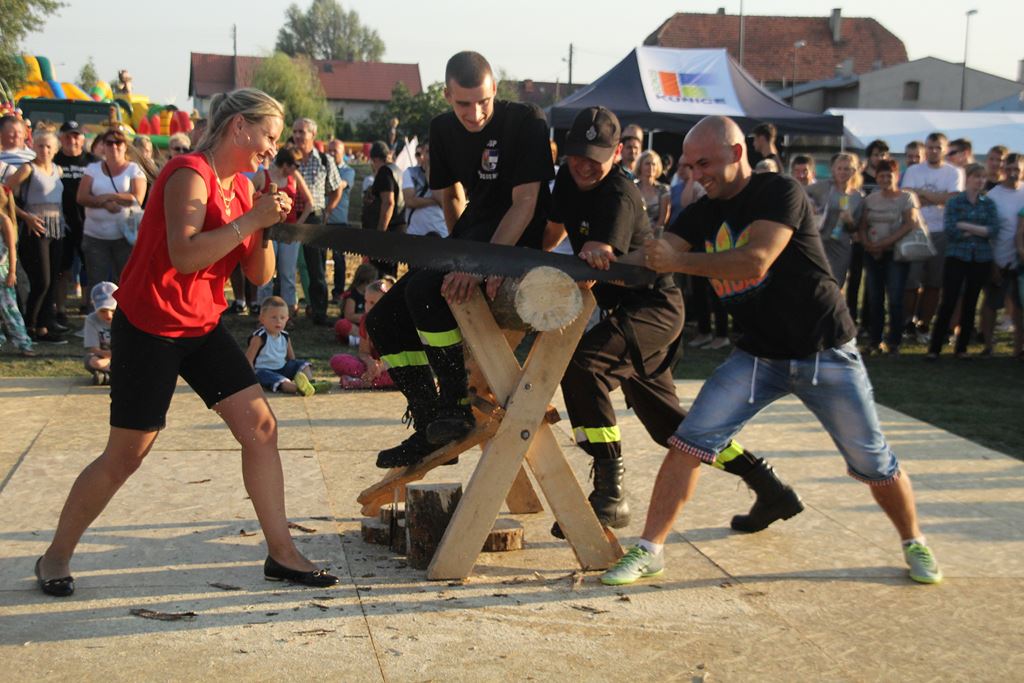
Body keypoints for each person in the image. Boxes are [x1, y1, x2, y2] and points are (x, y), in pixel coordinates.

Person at [598, 115, 941, 587]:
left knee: (873, 464)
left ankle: (914, 541)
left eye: (705, 164)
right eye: (690, 166)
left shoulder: (780, 192)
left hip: (824, 351)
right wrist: (599, 264)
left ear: (738, 154)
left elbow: (755, 259)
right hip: (758, 357)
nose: (696, 174)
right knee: (687, 444)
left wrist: (676, 260)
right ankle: (650, 549)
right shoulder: (700, 212)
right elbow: (654, 257)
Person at [34, 88, 338, 598]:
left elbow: (259, 274)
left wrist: (265, 225)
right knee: (127, 454)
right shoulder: (187, 174)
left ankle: (282, 554)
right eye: (267, 137)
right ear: (239, 126)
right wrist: (250, 220)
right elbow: (185, 256)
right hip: (150, 325)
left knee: (261, 427)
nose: (271, 148)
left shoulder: (242, 188)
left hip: (199, 325)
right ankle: (55, 556)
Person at [546, 106, 802, 539]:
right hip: (626, 312)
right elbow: (548, 234)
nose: (584, 165)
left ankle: (610, 491)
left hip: (652, 309)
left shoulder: (619, 194)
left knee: (585, 365)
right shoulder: (567, 183)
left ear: (616, 156)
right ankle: (767, 484)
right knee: (673, 430)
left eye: (595, 156)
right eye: (576, 155)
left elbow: (597, 250)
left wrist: (585, 258)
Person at [365, 50, 553, 468]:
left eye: (484, 101)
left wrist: (478, 263)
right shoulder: (442, 129)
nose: (475, 112)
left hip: (517, 236)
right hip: (476, 230)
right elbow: (451, 195)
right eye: (463, 103)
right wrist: (456, 252)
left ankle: (454, 403)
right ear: (448, 94)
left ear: (495, 91)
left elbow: (525, 204)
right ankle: (432, 421)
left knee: (428, 292)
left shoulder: (526, 120)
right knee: (381, 320)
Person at [927, 163, 999, 360]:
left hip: (981, 258)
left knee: (971, 302)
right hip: (957, 256)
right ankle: (935, 348)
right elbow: (951, 230)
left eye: (983, 177)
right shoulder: (955, 202)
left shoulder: (988, 203)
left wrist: (966, 226)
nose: (980, 181)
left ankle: (962, 348)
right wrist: (978, 230)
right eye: (976, 176)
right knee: (949, 301)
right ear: (968, 178)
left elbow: (992, 230)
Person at [4, 130, 67, 344]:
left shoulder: (58, 170)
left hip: (57, 227)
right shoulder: (27, 169)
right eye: (40, 146)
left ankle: (43, 326)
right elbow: (5, 194)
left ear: (56, 149)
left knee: (53, 280)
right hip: (35, 228)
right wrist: (25, 217)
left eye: (49, 146)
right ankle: (29, 324)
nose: (45, 150)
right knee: (41, 280)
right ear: (33, 147)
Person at [900, 132, 963, 343]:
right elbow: (908, 197)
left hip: (941, 231)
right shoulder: (913, 170)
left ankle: (925, 324)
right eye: (929, 147)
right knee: (912, 281)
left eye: (937, 147)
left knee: (934, 283)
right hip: (916, 230)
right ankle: (908, 322)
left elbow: (953, 199)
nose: (933, 151)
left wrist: (923, 195)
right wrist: (937, 198)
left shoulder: (954, 172)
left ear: (945, 149)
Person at [859, 159, 921, 354]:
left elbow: (909, 224)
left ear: (897, 176)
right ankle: (874, 340)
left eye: (889, 175)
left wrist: (884, 244)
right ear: (876, 177)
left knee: (895, 298)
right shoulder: (870, 199)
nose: (886, 179)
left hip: (896, 254)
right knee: (875, 299)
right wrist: (868, 244)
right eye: (882, 175)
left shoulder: (907, 197)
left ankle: (895, 341)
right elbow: (862, 225)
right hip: (873, 253)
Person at [76, 126, 146, 296]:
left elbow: (137, 198)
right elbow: (82, 197)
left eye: (118, 142)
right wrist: (105, 204)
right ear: (103, 146)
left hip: (124, 237)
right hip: (95, 236)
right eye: (109, 142)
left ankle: (120, 319)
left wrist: (107, 196)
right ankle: (95, 318)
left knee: (123, 280)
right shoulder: (92, 169)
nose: (114, 146)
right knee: (96, 281)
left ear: (125, 146)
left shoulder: (134, 169)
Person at [253, 148, 314, 317]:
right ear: (285, 164)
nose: (298, 168)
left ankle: (287, 314)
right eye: (296, 165)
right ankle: (264, 313)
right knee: (266, 274)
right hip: (268, 231)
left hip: (289, 232)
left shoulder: (294, 177)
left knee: (287, 274)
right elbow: (248, 199)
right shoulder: (262, 176)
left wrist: (298, 226)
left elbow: (310, 203)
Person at [292, 117, 342, 325]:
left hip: (315, 217)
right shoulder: (287, 159)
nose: (298, 136)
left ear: (313, 134)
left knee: (317, 266)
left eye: (302, 132)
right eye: (295, 132)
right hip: (291, 216)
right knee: (286, 266)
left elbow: (337, 188)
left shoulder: (324, 160)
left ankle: (319, 311)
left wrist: (328, 211)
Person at [981, 153, 1024, 357]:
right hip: (998, 258)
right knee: (991, 303)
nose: (1013, 173)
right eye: (1010, 169)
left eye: (1018, 169)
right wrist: (991, 263)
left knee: (1019, 306)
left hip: (1021, 261)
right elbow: (987, 232)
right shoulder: (993, 196)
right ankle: (988, 345)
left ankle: (1018, 348)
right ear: (1003, 169)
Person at [53, 121, 96, 322]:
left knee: (89, 267)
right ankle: (60, 309)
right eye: (68, 136)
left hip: (88, 222)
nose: (72, 140)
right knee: (62, 268)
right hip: (62, 223)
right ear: (61, 139)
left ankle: (87, 306)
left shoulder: (92, 162)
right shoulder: (54, 160)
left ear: (82, 139)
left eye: (76, 136)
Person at [246, 296, 330, 396]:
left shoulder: (285, 336)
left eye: (282, 318)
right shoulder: (259, 337)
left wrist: (295, 369)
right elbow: (248, 360)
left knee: (303, 364)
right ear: (262, 318)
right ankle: (298, 388)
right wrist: (251, 380)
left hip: (282, 368)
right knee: (280, 381)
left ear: (287, 319)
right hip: (264, 371)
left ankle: (310, 383)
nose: (278, 321)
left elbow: (291, 359)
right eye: (273, 317)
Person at [805, 152, 865, 288]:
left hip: (840, 246)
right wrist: (810, 203)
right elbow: (800, 191)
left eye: (847, 169)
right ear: (833, 169)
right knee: (815, 283)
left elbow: (855, 229)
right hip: (818, 243)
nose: (842, 172)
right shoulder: (823, 187)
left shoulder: (858, 197)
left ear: (854, 171)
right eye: (839, 168)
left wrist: (849, 221)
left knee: (835, 285)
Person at [330, 278, 396, 390]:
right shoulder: (365, 321)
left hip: (392, 367)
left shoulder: (395, 322)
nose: (368, 307)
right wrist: (370, 362)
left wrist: (381, 367)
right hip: (371, 368)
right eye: (366, 301)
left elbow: (400, 358)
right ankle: (368, 380)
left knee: (403, 376)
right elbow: (363, 352)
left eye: (373, 303)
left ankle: (360, 382)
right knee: (336, 360)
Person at [361, 140, 406, 277]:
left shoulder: (384, 172)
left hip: (388, 230)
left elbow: (389, 203)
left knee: (380, 275)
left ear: (374, 159)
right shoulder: (397, 170)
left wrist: (380, 234)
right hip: (397, 228)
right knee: (389, 274)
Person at [0, 209, 34, 356]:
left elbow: (12, 248)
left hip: (2, 270)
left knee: (10, 309)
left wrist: (12, 271)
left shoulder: (4, 220)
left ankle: (23, 343)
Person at [326, 138, 356, 301]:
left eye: (334, 151)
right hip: (323, 220)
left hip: (339, 220)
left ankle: (338, 292)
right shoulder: (323, 169)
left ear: (342, 153)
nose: (331, 154)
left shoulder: (348, 171)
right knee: (318, 260)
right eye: (329, 151)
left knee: (338, 259)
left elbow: (339, 186)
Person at [402, 140, 448, 239]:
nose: (431, 155)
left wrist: (430, 179)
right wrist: (434, 200)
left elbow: (444, 202)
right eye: (428, 152)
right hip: (415, 234)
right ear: (422, 153)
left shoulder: (447, 175)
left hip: (441, 233)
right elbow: (410, 201)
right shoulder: (410, 173)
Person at [334, 262, 378, 345]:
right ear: (367, 281)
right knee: (341, 324)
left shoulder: (371, 296)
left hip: (366, 327)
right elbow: (349, 316)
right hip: (354, 327)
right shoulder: (352, 295)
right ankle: (363, 340)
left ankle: (357, 340)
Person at [83, 281, 117, 385]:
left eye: (112, 310)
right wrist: (108, 356)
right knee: (94, 361)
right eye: (103, 311)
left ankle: (108, 375)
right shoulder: (91, 319)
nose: (109, 315)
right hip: (103, 357)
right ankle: (114, 375)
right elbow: (93, 348)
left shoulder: (125, 317)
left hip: (123, 356)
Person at [636, 150, 670, 231]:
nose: (651, 167)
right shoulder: (633, 187)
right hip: (635, 233)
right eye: (647, 164)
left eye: (654, 164)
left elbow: (663, 218)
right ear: (640, 166)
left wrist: (652, 232)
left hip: (655, 234)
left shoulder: (663, 190)